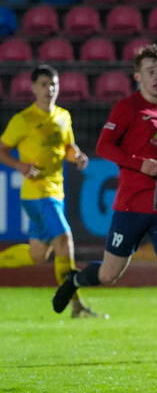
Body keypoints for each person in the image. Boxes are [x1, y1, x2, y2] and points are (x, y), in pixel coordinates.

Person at [52, 44, 157, 357]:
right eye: (150, 71)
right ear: (137, 76)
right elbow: (104, 146)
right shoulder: (127, 108)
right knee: (109, 274)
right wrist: (140, 164)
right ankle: (76, 280)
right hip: (131, 206)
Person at [0, 65, 103, 319]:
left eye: (54, 84)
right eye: (44, 84)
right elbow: (1, 149)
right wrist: (20, 166)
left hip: (55, 192)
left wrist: (77, 156)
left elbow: (68, 146)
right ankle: (77, 305)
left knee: (37, 255)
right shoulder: (23, 120)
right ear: (34, 88)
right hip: (38, 195)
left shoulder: (63, 116)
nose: (50, 89)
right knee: (64, 240)